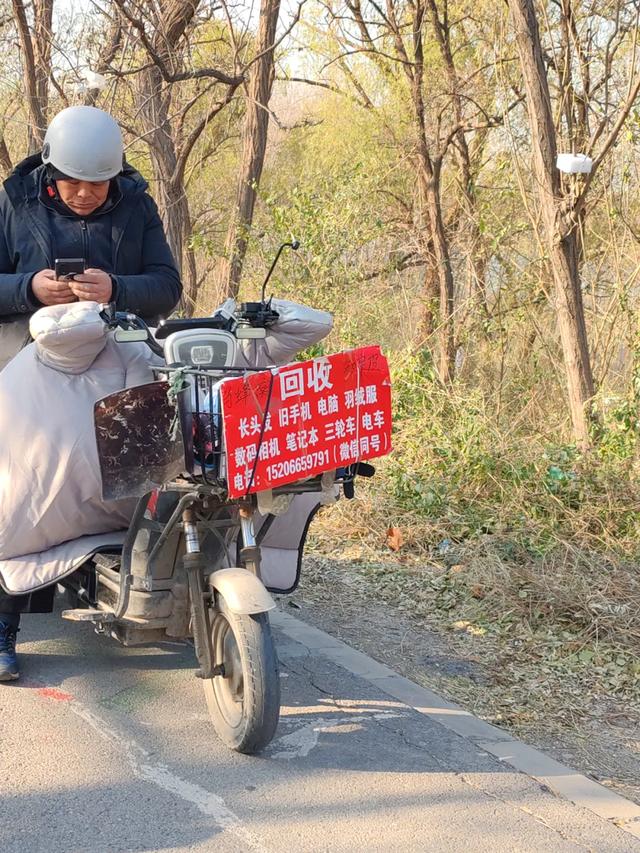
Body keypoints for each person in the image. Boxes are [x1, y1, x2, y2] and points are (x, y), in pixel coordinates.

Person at [0, 105, 182, 680]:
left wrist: (118, 288)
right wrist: (30, 288)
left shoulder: (138, 205)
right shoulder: (13, 202)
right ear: (50, 170)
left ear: (117, 176)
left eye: (97, 184)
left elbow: (167, 286)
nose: (83, 194)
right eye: (72, 181)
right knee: (17, 489)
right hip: (25, 357)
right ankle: (3, 626)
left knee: (140, 475)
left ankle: (152, 584)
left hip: (116, 362)